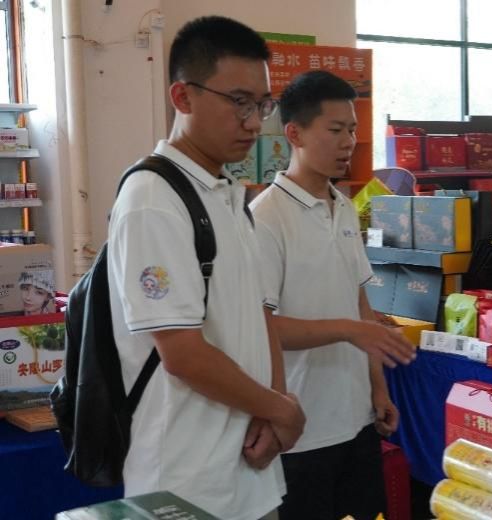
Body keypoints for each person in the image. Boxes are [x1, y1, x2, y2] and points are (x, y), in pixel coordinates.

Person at [106, 16, 305, 520]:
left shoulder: (225, 194)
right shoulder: (153, 199)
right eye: (238, 101)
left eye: (262, 104)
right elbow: (183, 355)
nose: (254, 123)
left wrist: (275, 404)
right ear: (183, 96)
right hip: (185, 483)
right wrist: (280, 410)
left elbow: (260, 313)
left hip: (250, 469)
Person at [249, 70, 416, 520]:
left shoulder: (343, 205)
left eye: (353, 131)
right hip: (301, 431)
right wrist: (350, 330)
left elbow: (358, 302)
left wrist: (378, 389)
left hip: (357, 422)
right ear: (294, 134)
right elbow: (264, 328)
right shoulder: (265, 218)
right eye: (336, 130)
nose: (349, 143)